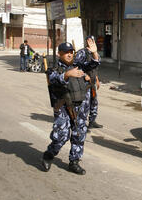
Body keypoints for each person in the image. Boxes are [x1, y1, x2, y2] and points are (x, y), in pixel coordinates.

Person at [41, 40, 100, 175]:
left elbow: (94, 64)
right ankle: (49, 155)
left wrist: (95, 53)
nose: (69, 55)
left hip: (80, 108)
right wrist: (67, 74)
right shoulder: (54, 69)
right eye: (65, 53)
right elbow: (55, 78)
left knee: (79, 135)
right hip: (63, 108)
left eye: (70, 52)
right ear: (59, 54)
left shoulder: (79, 66)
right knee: (61, 136)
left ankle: (74, 162)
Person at [77, 36, 103, 130]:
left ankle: (92, 121)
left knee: (94, 102)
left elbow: (95, 67)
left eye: (92, 40)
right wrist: (84, 75)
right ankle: (82, 125)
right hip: (84, 83)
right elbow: (76, 67)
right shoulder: (81, 53)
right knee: (85, 104)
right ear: (86, 42)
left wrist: (97, 79)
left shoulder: (95, 53)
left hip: (92, 81)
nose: (90, 42)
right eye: (88, 40)